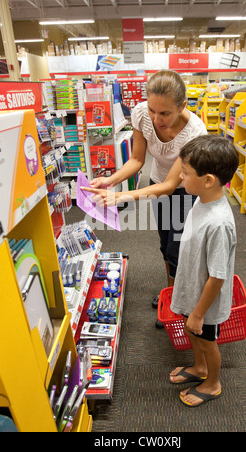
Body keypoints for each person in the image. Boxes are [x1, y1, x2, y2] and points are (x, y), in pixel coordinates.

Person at [81, 70, 207, 309]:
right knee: (164, 243)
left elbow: (171, 186)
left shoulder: (195, 132)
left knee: (178, 248)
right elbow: (137, 160)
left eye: (165, 113)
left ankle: (180, 300)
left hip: (184, 191)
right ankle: (171, 291)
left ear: (182, 106)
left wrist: (119, 196)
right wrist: (110, 180)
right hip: (156, 183)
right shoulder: (141, 114)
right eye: (152, 110)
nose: (156, 118)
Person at [169, 134, 239, 407]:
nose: (180, 178)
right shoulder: (202, 199)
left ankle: (212, 383)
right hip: (193, 291)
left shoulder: (219, 223)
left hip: (205, 303)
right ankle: (199, 369)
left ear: (208, 180)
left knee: (207, 341)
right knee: (192, 333)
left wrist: (199, 313)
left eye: (185, 174)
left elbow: (218, 276)